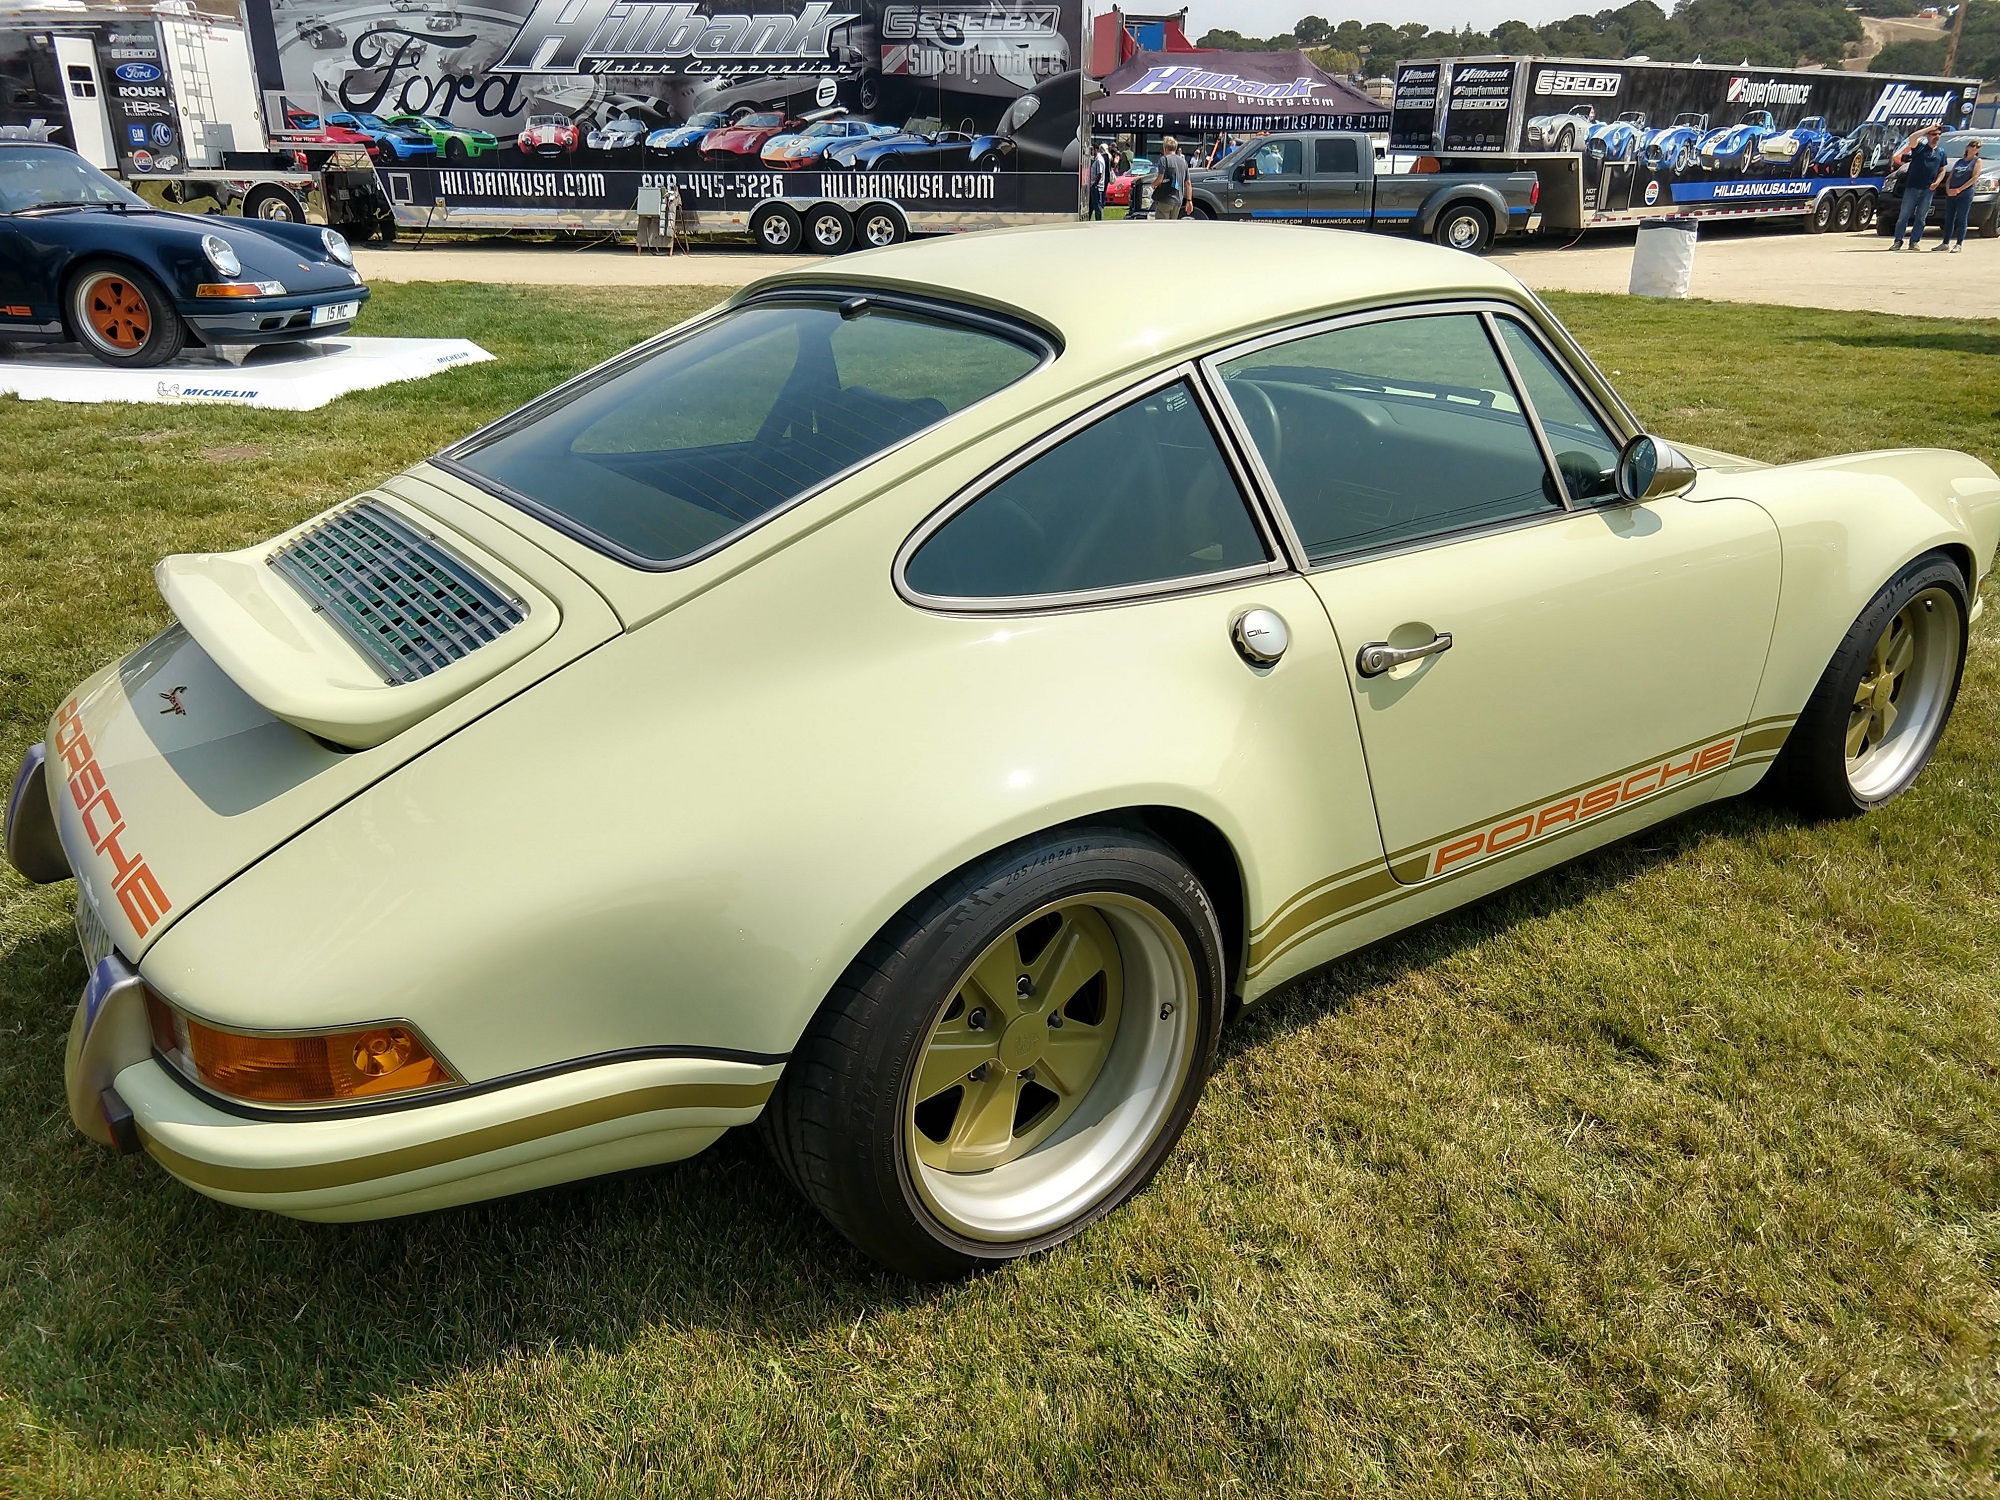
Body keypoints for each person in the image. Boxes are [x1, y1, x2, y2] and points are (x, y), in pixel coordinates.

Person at [1890, 124, 1947, 250]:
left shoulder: (1941, 152)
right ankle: (1898, 241)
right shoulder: (1919, 148)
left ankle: (1914, 242)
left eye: (1938, 134)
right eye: (1933, 134)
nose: (1936, 137)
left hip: (1928, 190)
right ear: (1927, 136)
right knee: (1904, 216)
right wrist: (1930, 128)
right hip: (1912, 187)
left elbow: (1942, 170)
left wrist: (1937, 182)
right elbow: (1912, 137)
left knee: (1921, 218)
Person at [1932, 137, 1982, 253]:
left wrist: (1960, 189)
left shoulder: (1977, 161)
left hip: (1965, 193)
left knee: (1961, 218)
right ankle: (1945, 242)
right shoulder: (1960, 161)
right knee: (1949, 218)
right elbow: (1951, 176)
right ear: (1967, 147)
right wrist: (1948, 188)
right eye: (1973, 145)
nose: (1974, 148)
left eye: (1977, 147)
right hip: (1952, 193)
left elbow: (1974, 177)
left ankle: (1959, 244)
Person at [1154, 134, 1190, 221]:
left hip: (1165, 198)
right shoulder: (1183, 162)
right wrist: (1189, 200)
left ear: (1165, 148)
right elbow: (1188, 183)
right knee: (1172, 226)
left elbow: (1160, 179)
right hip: (1178, 200)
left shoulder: (1164, 159)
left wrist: (1153, 184)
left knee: (1162, 227)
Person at [1088, 143, 1107, 221]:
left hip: (1097, 187)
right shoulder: (1095, 159)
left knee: (1097, 206)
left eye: (1092, 150)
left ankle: (1099, 221)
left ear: (1096, 150)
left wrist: (1095, 184)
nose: (1091, 151)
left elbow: (1100, 173)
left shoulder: (1099, 160)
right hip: (1094, 186)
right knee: (1092, 206)